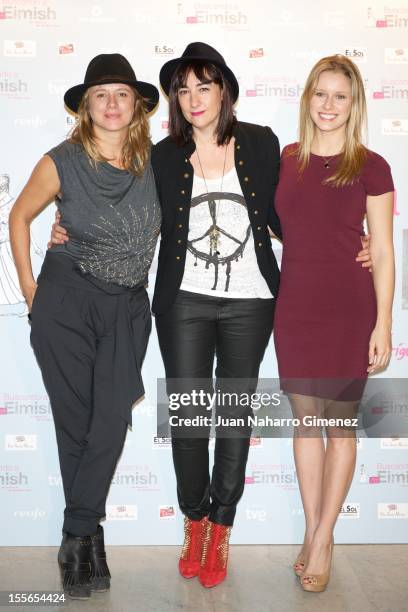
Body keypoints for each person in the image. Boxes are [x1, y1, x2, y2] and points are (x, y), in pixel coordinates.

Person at [49, 43, 372, 590]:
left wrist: (351, 244)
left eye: (204, 85)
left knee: (235, 416)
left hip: (253, 301)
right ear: (174, 98)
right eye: (183, 88)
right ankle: (194, 519)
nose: (193, 98)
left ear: (224, 90)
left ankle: (222, 525)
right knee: (193, 419)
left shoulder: (263, 144)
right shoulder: (161, 153)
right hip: (185, 303)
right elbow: (115, 203)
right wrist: (67, 230)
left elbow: (288, 214)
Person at [9, 54, 161, 599]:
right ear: (85, 106)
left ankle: (76, 530)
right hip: (66, 300)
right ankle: (86, 541)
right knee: (75, 424)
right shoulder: (63, 160)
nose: (113, 104)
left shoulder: (159, 161)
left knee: (109, 419)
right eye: (101, 95)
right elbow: (19, 216)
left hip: (125, 306)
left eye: (122, 93)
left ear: (137, 104)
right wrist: (30, 288)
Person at [273, 54, 395, 592]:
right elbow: (288, 225)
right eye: (320, 94)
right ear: (308, 98)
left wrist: (384, 323)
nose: (328, 105)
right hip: (295, 304)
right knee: (305, 426)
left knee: (339, 427)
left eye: (339, 96)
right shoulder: (288, 157)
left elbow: (385, 253)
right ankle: (311, 528)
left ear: (354, 104)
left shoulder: (371, 166)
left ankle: (324, 538)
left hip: (349, 308)